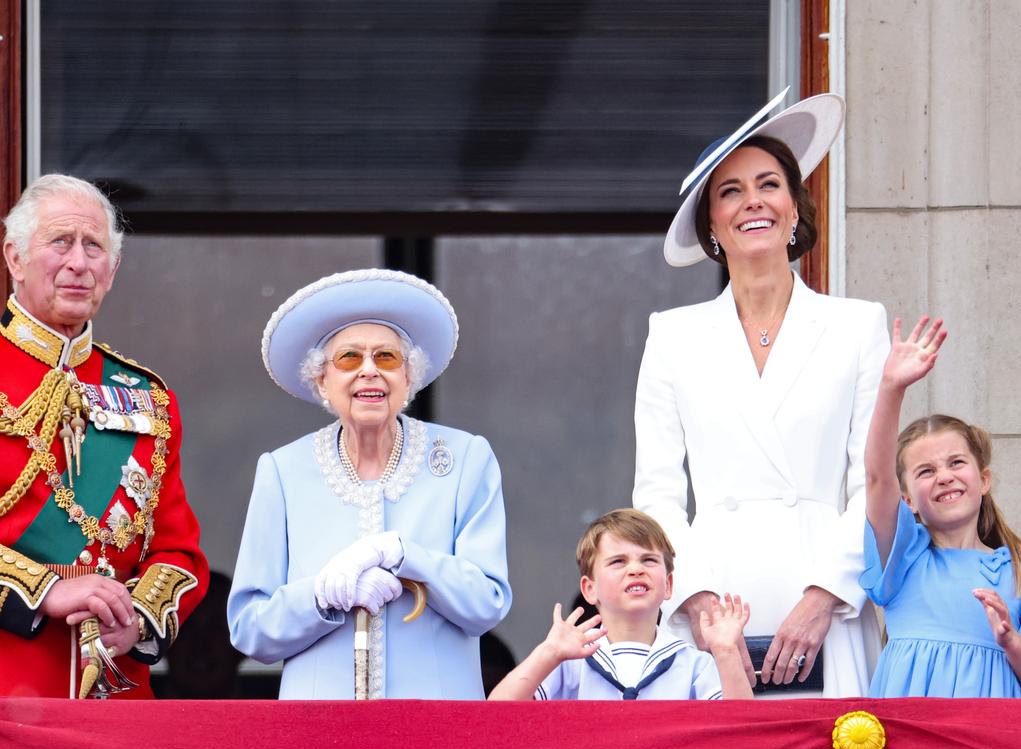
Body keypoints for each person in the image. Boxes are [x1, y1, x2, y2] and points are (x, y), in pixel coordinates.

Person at [633, 90, 888, 696]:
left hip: (829, 601)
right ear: (712, 227)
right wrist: (695, 601)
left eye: (769, 184)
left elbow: (870, 483)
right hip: (717, 605)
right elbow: (657, 491)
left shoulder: (858, 325)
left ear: (795, 209)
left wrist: (827, 595)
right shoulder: (672, 335)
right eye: (730, 191)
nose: (753, 201)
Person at [228, 268, 512, 699]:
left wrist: (406, 556)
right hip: (319, 727)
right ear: (321, 380)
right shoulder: (283, 471)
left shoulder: (464, 459)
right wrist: (321, 596)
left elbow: (486, 603)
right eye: (348, 359)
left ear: (409, 378)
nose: (369, 372)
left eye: (386, 358)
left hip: (436, 723)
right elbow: (250, 630)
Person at [0, 174, 208, 698]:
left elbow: (178, 552)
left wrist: (137, 619)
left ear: (112, 271)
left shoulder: (147, 396)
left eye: (94, 246)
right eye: (60, 242)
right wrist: (46, 591)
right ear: (15, 258)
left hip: (115, 702)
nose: (78, 263)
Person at [861, 316, 1021, 697]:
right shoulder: (903, 558)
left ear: (983, 480)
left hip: (987, 739)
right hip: (910, 736)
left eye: (956, 463)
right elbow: (877, 478)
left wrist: (1011, 642)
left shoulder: (1015, 570)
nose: (944, 476)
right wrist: (891, 388)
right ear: (908, 501)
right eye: (926, 471)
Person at [488, 508, 752, 700]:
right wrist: (548, 653)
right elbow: (497, 712)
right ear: (589, 589)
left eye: (649, 560)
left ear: (668, 585)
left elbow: (741, 735)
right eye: (618, 562)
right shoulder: (570, 660)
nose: (636, 569)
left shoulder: (692, 663)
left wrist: (726, 651)